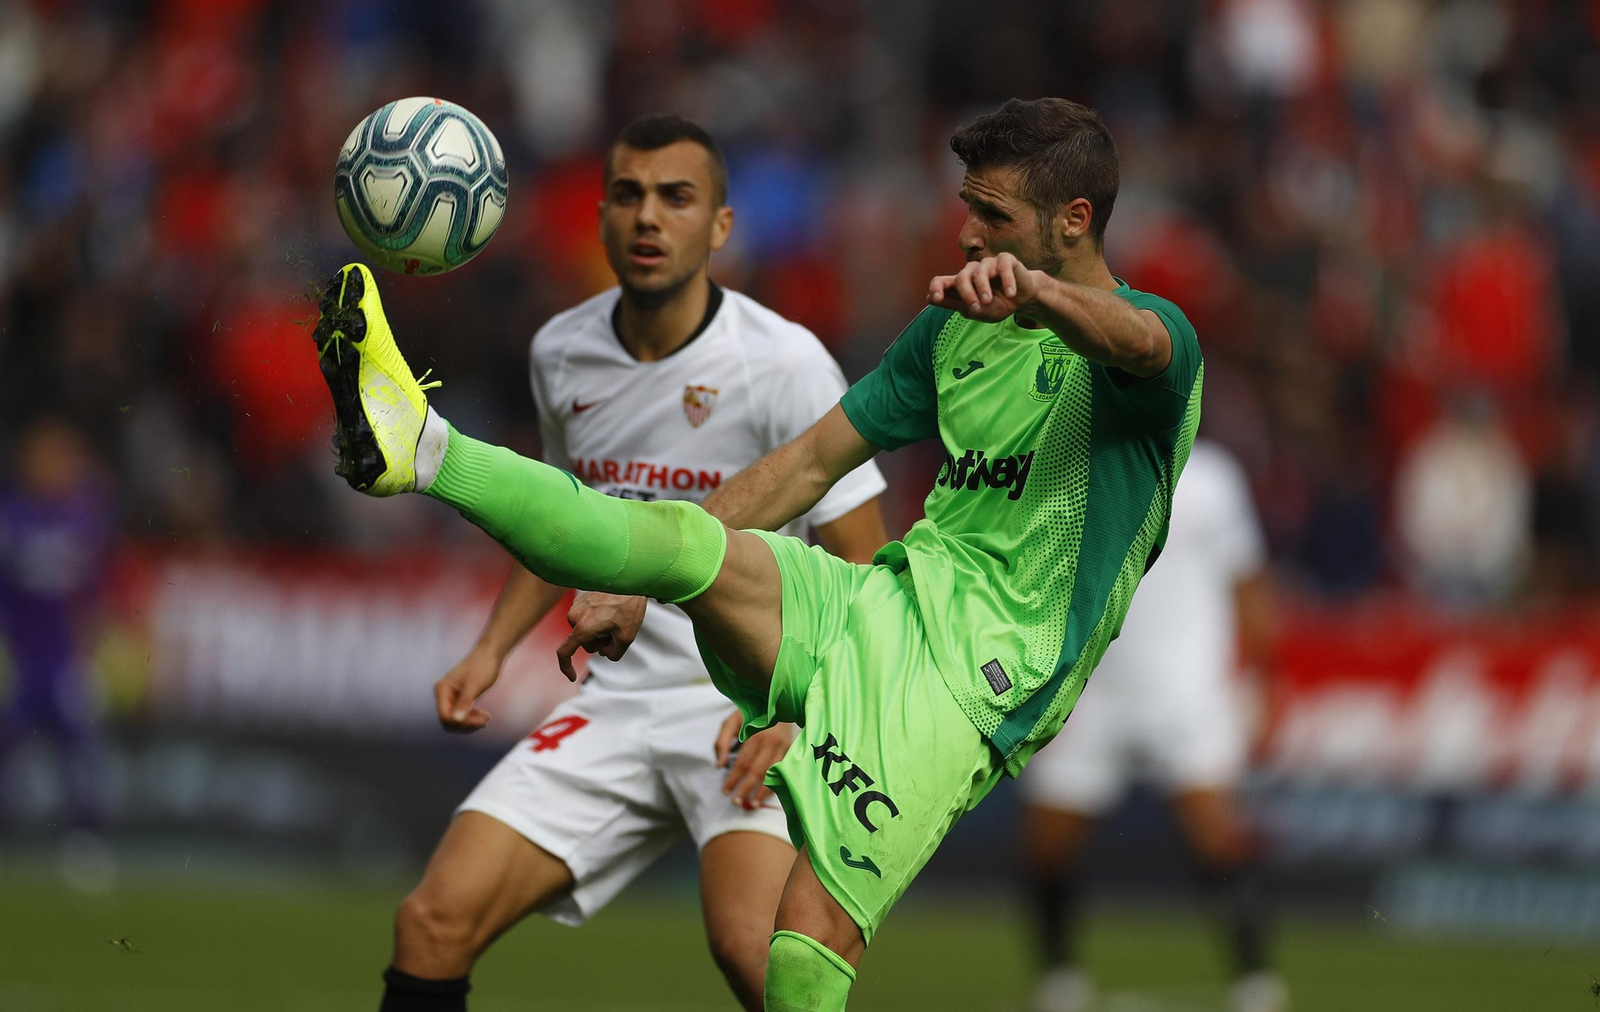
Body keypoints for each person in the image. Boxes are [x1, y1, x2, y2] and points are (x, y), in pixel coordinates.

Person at [311, 97, 1201, 1011]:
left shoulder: (1155, 345)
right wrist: (638, 584)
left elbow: (1138, 344)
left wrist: (1044, 299)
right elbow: (810, 463)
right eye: (967, 206)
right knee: (682, 538)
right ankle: (425, 449)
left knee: (795, 953)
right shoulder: (955, 327)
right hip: (886, 600)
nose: (969, 233)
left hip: (972, 679)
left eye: (994, 216)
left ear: (1074, 221)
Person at [378, 115, 889, 1012]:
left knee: (756, 953)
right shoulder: (561, 350)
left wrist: (806, 718)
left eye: (676, 197)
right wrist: (491, 649)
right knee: (432, 922)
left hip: (746, 709)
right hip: (616, 702)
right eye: (628, 195)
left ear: (720, 226)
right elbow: (566, 522)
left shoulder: (783, 363)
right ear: (602, 219)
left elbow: (867, 570)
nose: (649, 216)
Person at [1018, 438, 1285, 1012]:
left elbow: (1248, 580)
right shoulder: (1076, 461)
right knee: (1048, 841)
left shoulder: (1211, 477)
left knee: (1216, 837)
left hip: (1185, 686)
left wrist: (1265, 682)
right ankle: (1059, 979)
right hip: (1092, 686)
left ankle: (1256, 979)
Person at [0, 418, 115, 889]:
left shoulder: (85, 517)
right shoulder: (11, 518)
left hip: (66, 660)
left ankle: (84, 839)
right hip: (20, 659)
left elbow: (97, 591)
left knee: (79, 750)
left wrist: (91, 651)